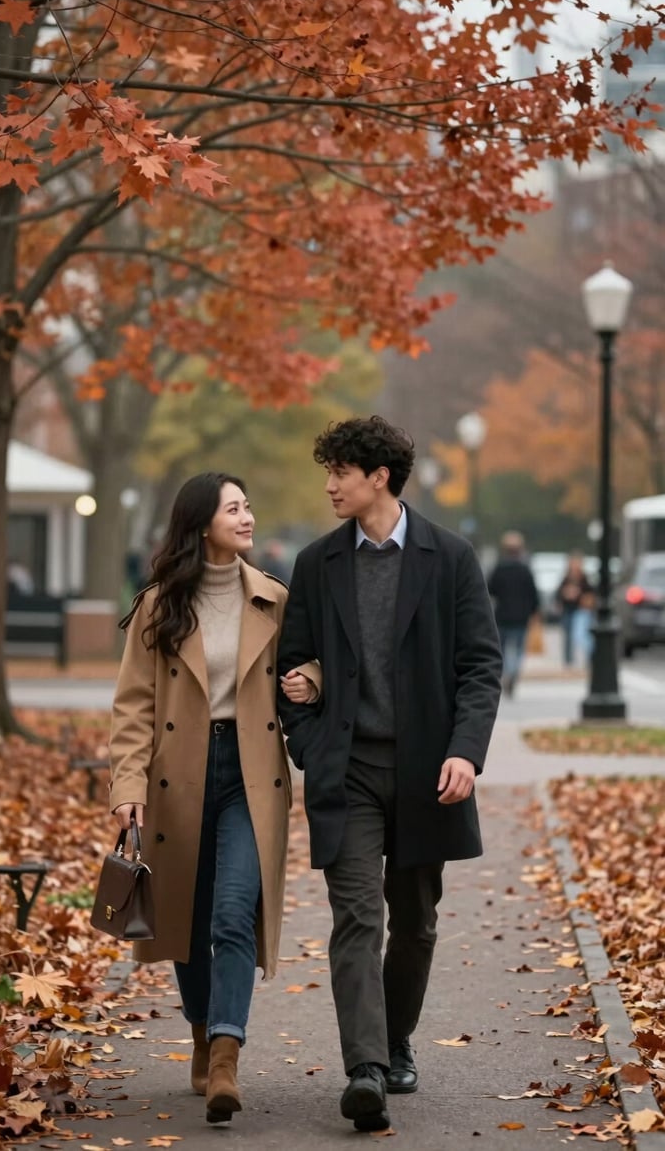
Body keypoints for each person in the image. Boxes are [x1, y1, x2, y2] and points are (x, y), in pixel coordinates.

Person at [277, 416, 502, 1134]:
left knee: (416, 921)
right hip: (348, 767)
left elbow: (480, 666)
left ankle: (397, 1038)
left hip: (425, 768)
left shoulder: (452, 557)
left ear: (380, 476)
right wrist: (310, 744)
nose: (330, 483)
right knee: (356, 915)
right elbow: (292, 664)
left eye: (341, 470)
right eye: (330, 470)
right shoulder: (317, 563)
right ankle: (365, 1068)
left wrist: (465, 750)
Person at [107, 472, 319, 1124]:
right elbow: (133, 706)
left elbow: (314, 660)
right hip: (179, 775)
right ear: (203, 523)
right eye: (235, 507)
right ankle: (201, 1029)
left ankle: (226, 1053)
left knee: (233, 912)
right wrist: (127, 787)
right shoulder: (159, 605)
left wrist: (310, 677)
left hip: (251, 775)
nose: (248, 515)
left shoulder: (275, 600)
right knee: (188, 921)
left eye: (249, 505)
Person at [486, 531, 541, 696]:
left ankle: (506, 673)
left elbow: (490, 588)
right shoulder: (525, 570)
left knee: (501, 650)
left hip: (502, 615)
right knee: (518, 649)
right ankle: (513, 672)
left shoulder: (499, 568)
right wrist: (534, 611)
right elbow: (533, 594)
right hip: (521, 616)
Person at [555, 552, 595, 667]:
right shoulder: (566, 578)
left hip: (581, 610)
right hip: (568, 609)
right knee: (567, 635)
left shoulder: (584, 578)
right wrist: (565, 594)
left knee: (583, 636)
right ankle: (568, 660)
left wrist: (579, 593)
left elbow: (591, 592)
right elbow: (558, 593)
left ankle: (588, 660)